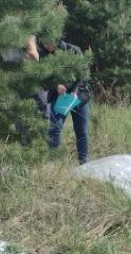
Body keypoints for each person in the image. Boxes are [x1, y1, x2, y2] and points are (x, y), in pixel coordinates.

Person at [27, 35, 91, 164]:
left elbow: (83, 76)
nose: (45, 44)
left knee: (82, 131)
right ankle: (52, 163)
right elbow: (44, 79)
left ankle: (84, 162)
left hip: (78, 95)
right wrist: (56, 85)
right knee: (54, 128)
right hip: (62, 98)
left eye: (48, 41)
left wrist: (73, 91)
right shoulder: (43, 55)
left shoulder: (73, 50)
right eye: (43, 42)